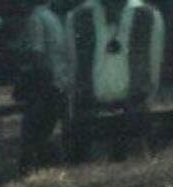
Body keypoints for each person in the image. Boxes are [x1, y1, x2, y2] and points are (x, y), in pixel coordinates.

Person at [64, 0, 164, 161]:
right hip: (92, 114)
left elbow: (154, 66)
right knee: (94, 179)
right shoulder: (77, 16)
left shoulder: (149, 15)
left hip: (133, 111)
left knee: (133, 178)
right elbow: (72, 67)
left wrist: (144, 102)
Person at [13, 0, 69, 172]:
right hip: (58, 84)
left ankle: (32, 171)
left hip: (44, 87)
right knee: (45, 134)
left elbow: (37, 55)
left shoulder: (35, 19)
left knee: (32, 136)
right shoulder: (52, 18)